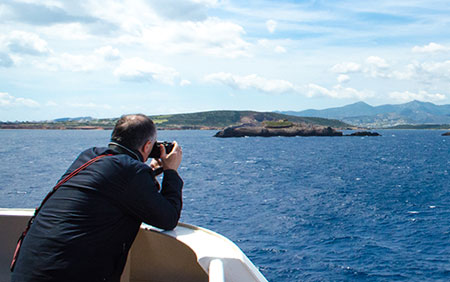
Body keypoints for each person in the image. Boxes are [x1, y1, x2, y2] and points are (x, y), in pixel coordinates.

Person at [11, 114, 183, 282]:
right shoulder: (132, 172)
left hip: (26, 271)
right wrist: (171, 172)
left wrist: (150, 173)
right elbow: (168, 218)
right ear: (147, 147)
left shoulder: (89, 157)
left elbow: (108, 185)